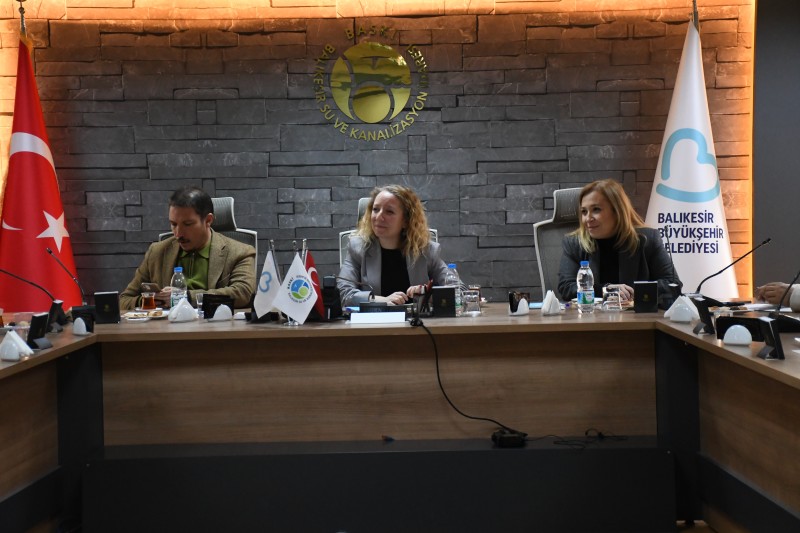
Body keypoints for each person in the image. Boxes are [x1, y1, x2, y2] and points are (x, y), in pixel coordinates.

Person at [119, 186, 256, 310]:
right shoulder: (156, 252)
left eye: (188, 224)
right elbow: (124, 300)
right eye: (173, 224)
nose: (178, 234)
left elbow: (243, 293)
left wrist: (186, 297)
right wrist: (149, 300)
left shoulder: (240, 252)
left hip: (214, 326)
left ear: (208, 220)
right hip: (167, 328)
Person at [557, 179, 681, 308]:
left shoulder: (647, 239)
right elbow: (566, 287)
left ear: (617, 212)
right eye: (584, 212)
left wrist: (632, 292)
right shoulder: (575, 243)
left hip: (636, 317)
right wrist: (608, 290)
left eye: (596, 210)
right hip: (591, 316)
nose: (588, 218)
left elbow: (672, 284)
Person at [337, 184, 450, 307]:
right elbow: (343, 293)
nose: (378, 217)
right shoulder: (358, 248)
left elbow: (458, 289)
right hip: (375, 318)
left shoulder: (426, 250)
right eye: (375, 209)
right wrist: (379, 300)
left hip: (414, 319)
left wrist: (428, 295)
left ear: (406, 221)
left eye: (389, 212)